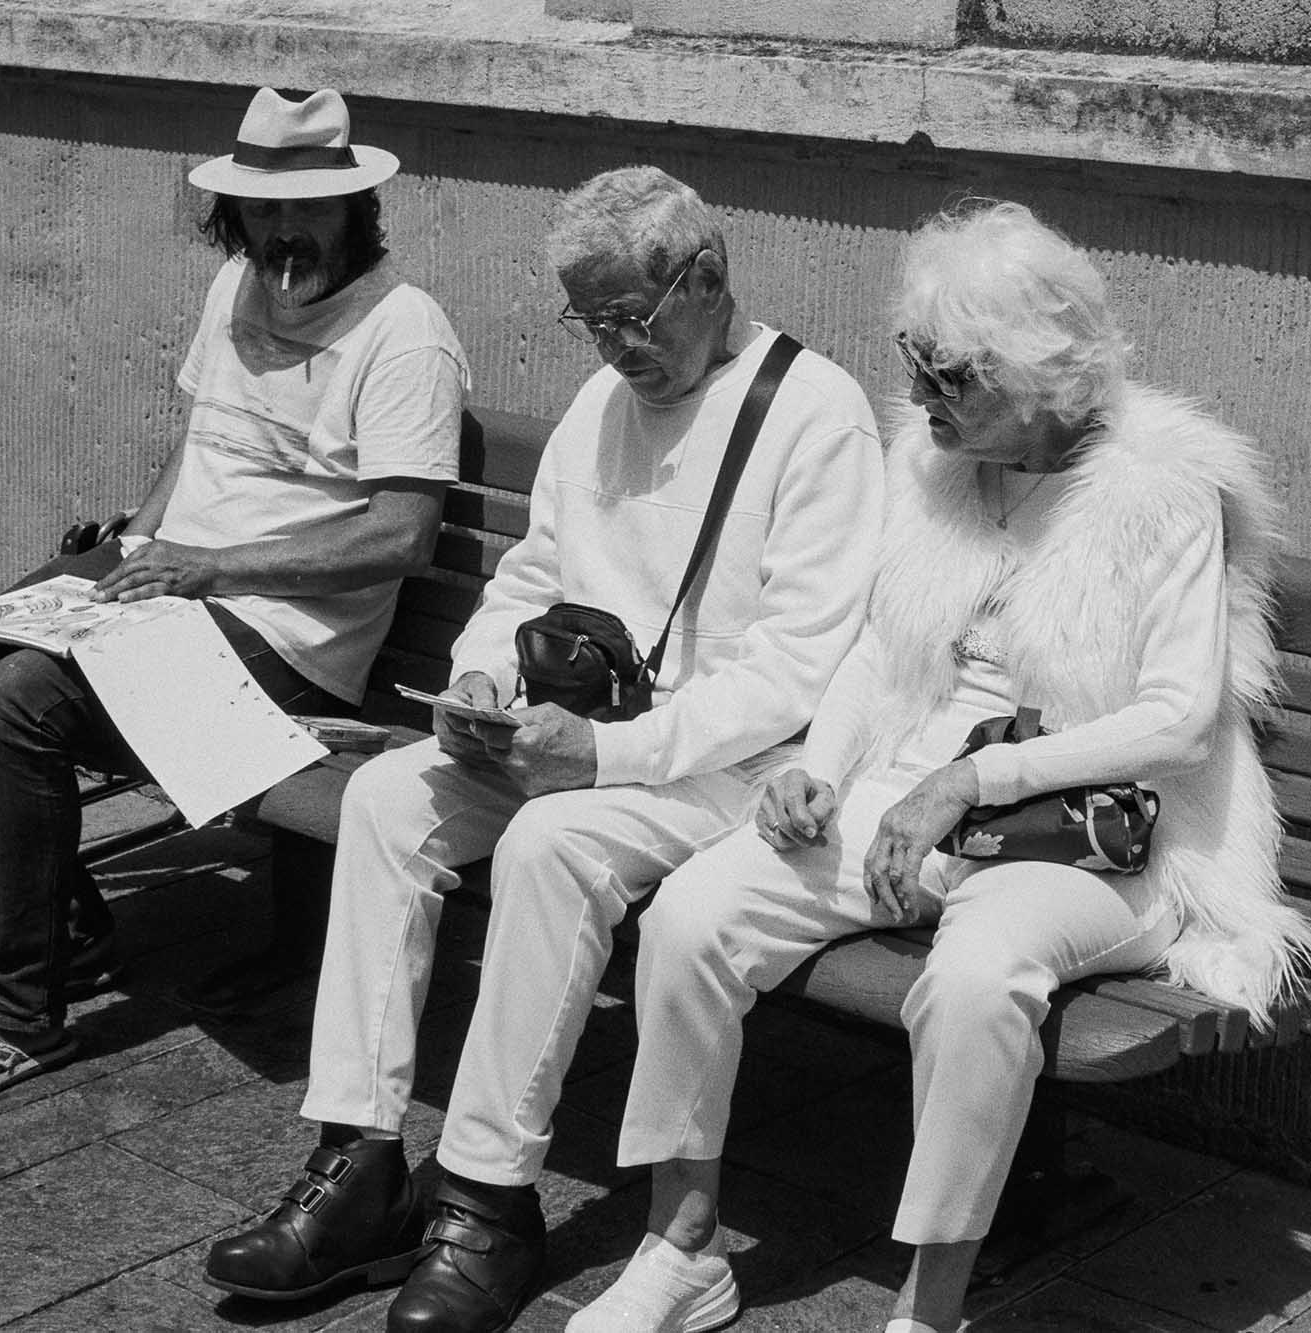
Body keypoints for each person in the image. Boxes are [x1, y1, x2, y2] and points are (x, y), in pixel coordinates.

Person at [569, 199, 1311, 1333]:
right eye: (913, 368)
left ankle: (928, 1310)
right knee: (693, 913)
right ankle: (679, 1246)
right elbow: (879, 642)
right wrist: (817, 768)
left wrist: (975, 780)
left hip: (1098, 835)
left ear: (1044, 375)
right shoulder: (932, 459)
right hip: (904, 799)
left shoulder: (1157, 492)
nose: (920, 399)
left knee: (973, 979)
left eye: (949, 377)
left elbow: (1176, 720)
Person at [202, 165, 886, 1332]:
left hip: (727, 764)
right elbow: (530, 576)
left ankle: (483, 1195)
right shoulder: (601, 404)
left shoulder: (814, 413)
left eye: (631, 314)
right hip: (576, 731)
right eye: (591, 319)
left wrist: (604, 759)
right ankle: (358, 1162)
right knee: (383, 801)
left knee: (552, 847)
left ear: (705, 276)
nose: (615, 346)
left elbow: (794, 667)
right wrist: (483, 676)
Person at [0, 88, 468, 1110]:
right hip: (171, 585)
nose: (285, 230)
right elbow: (200, 444)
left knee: (23, 698)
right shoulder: (236, 287)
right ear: (232, 216)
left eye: (310, 209)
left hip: (286, 635)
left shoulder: (403, 333)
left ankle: (17, 1007)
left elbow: (403, 536)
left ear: (357, 207)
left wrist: (214, 569)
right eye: (263, 211)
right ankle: (62, 928)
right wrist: (128, 551)